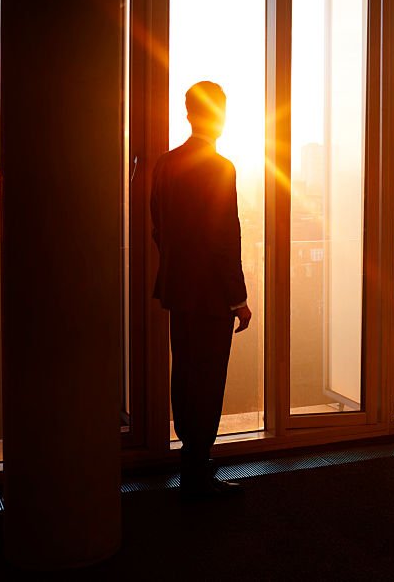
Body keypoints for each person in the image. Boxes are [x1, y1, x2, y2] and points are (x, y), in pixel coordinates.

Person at [151, 80, 252, 500]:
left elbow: (159, 227)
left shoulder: (165, 163)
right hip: (212, 297)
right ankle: (198, 469)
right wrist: (239, 298)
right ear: (220, 116)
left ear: (189, 113)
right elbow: (225, 237)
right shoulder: (220, 167)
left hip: (179, 290)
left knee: (185, 375)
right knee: (209, 380)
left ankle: (190, 462)